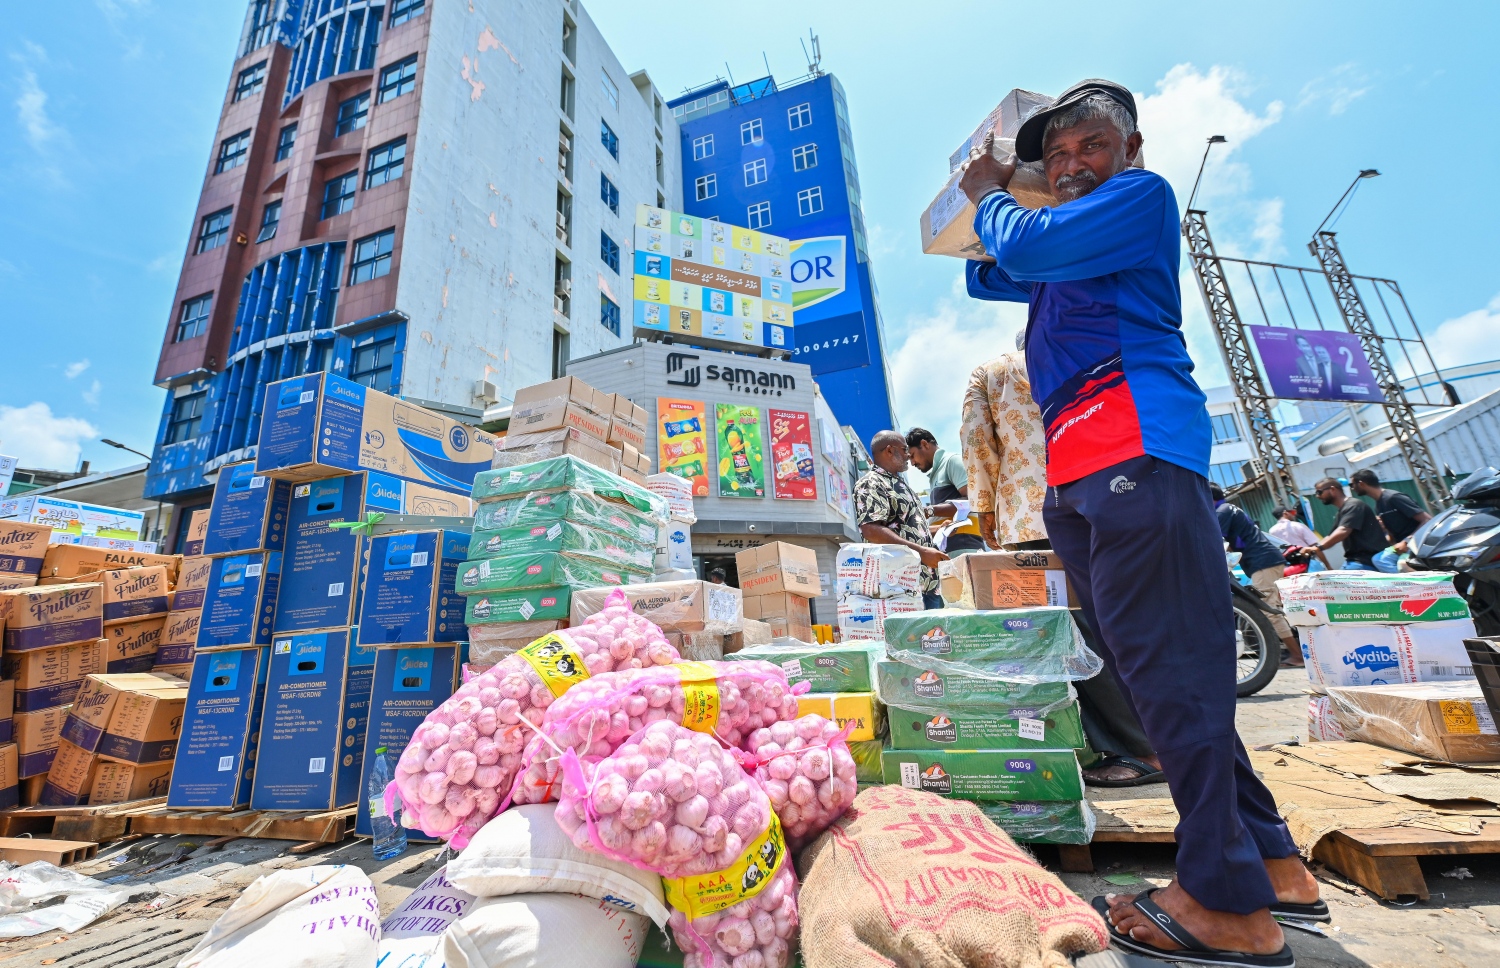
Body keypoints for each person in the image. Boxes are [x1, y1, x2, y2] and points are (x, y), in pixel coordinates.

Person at [961, 77, 1316, 964]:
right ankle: (1272, 864)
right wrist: (991, 206)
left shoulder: (1138, 201)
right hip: (1082, 457)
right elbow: (986, 273)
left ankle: (1225, 903)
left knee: (1169, 669)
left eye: (1091, 146)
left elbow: (1022, 245)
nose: (1073, 164)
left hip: (1132, 441)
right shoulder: (1074, 249)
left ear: (1131, 152)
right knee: (1151, 668)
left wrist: (992, 193)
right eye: (1059, 154)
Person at [963, 334, 1162, 785]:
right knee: (1120, 625)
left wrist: (984, 509)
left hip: (1031, 519)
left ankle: (1139, 751)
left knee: (1067, 637)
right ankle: (1155, 742)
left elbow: (979, 446)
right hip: (1106, 504)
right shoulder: (1091, 356)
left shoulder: (991, 373)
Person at [960, 333, 1049, 549]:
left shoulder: (987, 374)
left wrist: (984, 506)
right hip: (1095, 495)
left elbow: (977, 441)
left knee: (1046, 582)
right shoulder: (1078, 359)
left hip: (1027, 512)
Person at [854, 430, 948, 609]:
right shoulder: (872, 483)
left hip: (926, 585)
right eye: (905, 449)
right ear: (889, 450)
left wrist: (936, 530)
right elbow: (871, 530)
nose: (908, 456)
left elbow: (904, 529)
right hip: (899, 589)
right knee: (912, 638)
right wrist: (921, 552)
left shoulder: (901, 485)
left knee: (933, 636)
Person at [1211, 484, 1301, 667]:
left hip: (1263, 561)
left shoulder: (1222, 512)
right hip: (1265, 559)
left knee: (1268, 610)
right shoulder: (1229, 508)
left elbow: (1215, 540)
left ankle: (1297, 656)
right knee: (1272, 607)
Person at [905, 427, 986, 554]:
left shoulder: (951, 461)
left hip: (964, 545)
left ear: (924, 444)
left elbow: (973, 500)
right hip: (949, 549)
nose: (913, 463)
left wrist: (929, 511)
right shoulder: (936, 474)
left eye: (912, 456)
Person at [1302, 478, 1388, 570]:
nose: (1317, 496)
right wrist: (1314, 548)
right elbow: (1330, 536)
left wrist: (1319, 547)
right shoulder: (1342, 511)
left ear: (1333, 489)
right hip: (1355, 560)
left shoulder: (1354, 505)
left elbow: (1343, 531)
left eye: (1319, 492)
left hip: (1366, 561)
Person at [1350, 469, 1431, 554]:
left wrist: (1406, 541)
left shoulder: (1394, 497)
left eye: (1352, 485)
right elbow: (1391, 536)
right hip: (1402, 547)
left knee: (1382, 560)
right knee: (1377, 557)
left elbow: (1427, 520)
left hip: (1418, 543)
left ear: (1361, 484)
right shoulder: (1378, 505)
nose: (1352, 488)